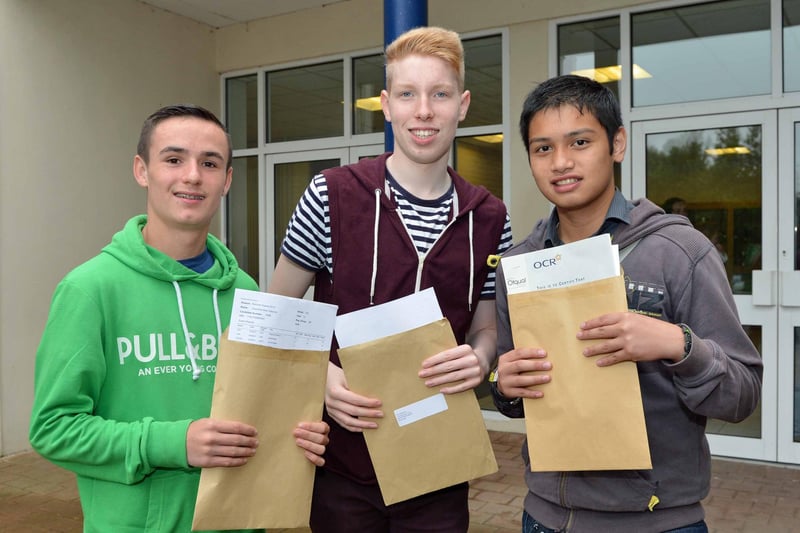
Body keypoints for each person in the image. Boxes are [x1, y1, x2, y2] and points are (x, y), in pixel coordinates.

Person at [29, 104, 330, 532]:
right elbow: (53, 429)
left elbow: (262, 413)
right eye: (173, 159)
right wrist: (173, 443)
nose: (192, 176)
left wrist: (297, 436)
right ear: (142, 170)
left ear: (226, 180)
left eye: (209, 163)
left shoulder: (246, 292)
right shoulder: (90, 289)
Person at [492, 75, 762, 533]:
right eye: (542, 148)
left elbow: (742, 395)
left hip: (658, 521)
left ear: (617, 143)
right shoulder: (519, 264)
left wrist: (678, 344)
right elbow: (511, 390)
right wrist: (504, 384)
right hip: (544, 517)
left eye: (579, 141)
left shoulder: (679, 252)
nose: (561, 162)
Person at [268, 26, 513, 532]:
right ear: (386, 104)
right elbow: (277, 318)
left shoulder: (491, 217)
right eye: (408, 94)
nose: (423, 111)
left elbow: (485, 328)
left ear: (462, 105)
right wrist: (321, 375)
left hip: (439, 466)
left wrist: (481, 358)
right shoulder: (330, 196)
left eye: (439, 94)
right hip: (343, 465)